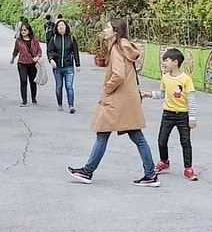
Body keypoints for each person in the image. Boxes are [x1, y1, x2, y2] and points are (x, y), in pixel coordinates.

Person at [66, 19, 159, 187]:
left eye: (107, 27)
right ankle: (150, 174)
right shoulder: (126, 47)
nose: (104, 29)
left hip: (117, 100)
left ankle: (88, 171)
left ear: (116, 31)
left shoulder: (117, 49)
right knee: (136, 136)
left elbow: (118, 75)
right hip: (128, 99)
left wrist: (107, 88)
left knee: (103, 133)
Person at [141, 47, 199, 181]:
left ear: (175, 62)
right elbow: (162, 94)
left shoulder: (186, 79)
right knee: (162, 140)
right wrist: (148, 94)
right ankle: (164, 161)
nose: (164, 64)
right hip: (168, 114)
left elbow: (191, 99)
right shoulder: (165, 78)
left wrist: (192, 118)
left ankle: (188, 168)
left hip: (183, 115)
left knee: (185, 142)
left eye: (166, 61)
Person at [47, 18, 81, 113]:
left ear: (66, 27)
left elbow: (75, 51)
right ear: (56, 28)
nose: (61, 27)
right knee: (59, 86)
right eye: (59, 26)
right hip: (57, 67)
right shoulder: (53, 39)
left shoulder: (71, 38)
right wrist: (51, 60)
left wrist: (77, 64)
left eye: (62, 25)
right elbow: (50, 51)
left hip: (68, 66)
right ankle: (60, 104)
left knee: (69, 86)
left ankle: (71, 106)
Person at [11, 22, 42, 106]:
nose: (23, 32)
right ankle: (24, 100)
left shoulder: (34, 40)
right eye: (22, 30)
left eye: (25, 30)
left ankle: (33, 97)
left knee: (32, 81)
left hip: (32, 63)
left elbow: (39, 50)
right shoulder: (18, 41)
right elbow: (15, 51)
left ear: (29, 30)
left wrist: (38, 57)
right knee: (23, 81)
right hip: (22, 63)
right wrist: (13, 59)